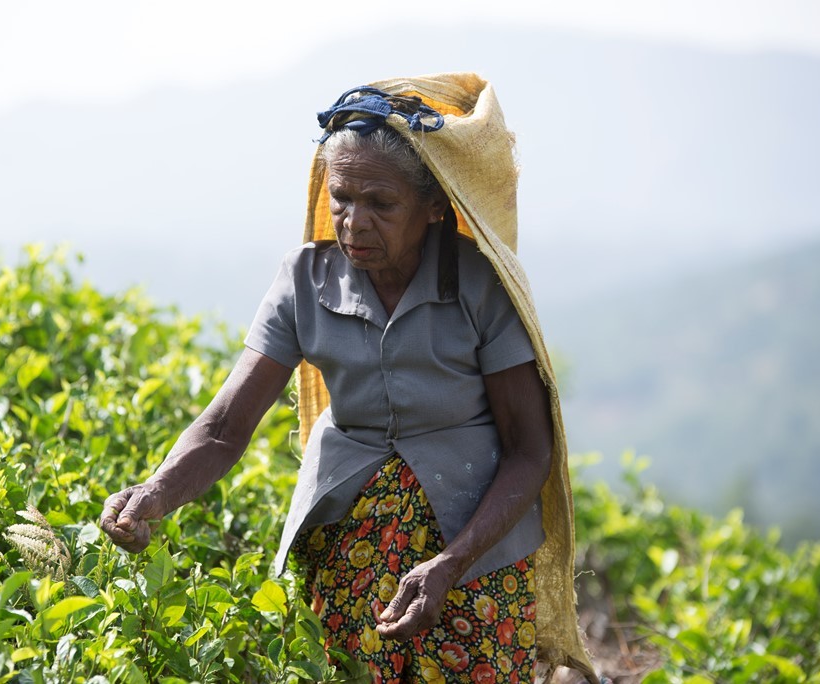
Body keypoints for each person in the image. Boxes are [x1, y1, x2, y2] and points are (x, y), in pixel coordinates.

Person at [101, 73, 597, 683]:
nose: (354, 222)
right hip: (350, 535)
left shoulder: (478, 285)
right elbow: (228, 425)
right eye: (341, 198)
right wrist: (153, 495)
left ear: (434, 208)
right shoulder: (303, 282)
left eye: (381, 205)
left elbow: (529, 450)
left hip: (476, 545)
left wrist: (452, 561)